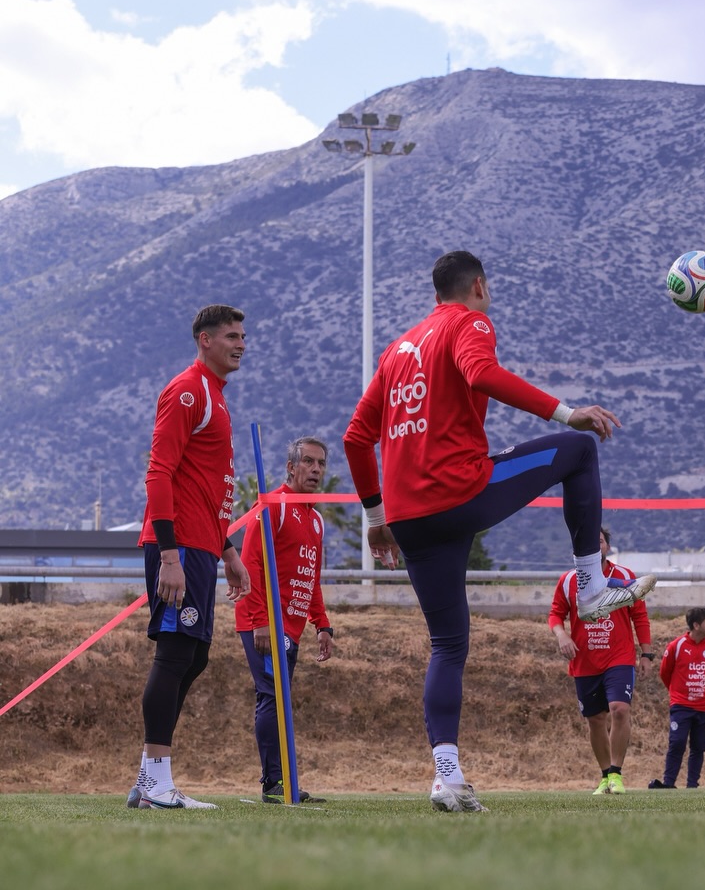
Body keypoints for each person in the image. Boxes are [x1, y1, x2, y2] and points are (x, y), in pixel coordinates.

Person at [343, 250, 655, 813]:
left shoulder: (396, 350)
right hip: (459, 492)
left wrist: (374, 518)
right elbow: (481, 373)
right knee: (580, 447)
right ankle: (589, 587)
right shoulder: (470, 322)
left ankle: (447, 776)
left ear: (434, 291)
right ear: (478, 286)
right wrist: (566, 412)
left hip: (409, 519)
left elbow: (354, 437)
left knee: (447, 645)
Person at [126, 304, 252, 810]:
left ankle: (147, 778)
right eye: (231, 336)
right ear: (204, 340)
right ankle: (157, 781)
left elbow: (204, 487)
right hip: (176, 547)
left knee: (194, 656)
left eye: (244, 336)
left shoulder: (216, 397)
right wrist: (171, 556)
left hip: (202, 544)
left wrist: (228, 551)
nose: (241, 343)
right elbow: (158, 473)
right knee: (175, 653)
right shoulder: (187, 390)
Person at [235, 436, 335, 804]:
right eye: (308, 462)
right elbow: (251, 563)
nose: (315, 469)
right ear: (291, 467)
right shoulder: (272, 506)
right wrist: (261, 620)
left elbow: (311, 575)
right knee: (272, 695)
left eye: (321, 463)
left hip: (291, 627)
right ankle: (273, 783)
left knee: (281, 699)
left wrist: (321, 624)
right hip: (260, 622)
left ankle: (284, 781)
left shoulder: (318, 520)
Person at [548, 527, 653, 795]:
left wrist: (646, 654)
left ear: (607, 547)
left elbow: (639, 616)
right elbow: (555, 615)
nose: (597, 546)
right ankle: (605, 775)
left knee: (619, 708)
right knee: (595, 719)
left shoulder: (625, 577)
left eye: (601, 541)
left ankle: (617, 774)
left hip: (619, 657)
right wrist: (562, 636)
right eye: (590, 543)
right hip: (585, 659)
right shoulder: (569, 580)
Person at [650, 607, 705, 790]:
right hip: (681, 705)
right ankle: (668, 784)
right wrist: (678, 693)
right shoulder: (676, 646)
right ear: (696, 625)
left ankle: (692, 787)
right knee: (677, 742)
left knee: (699, 747)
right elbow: (665, 673)